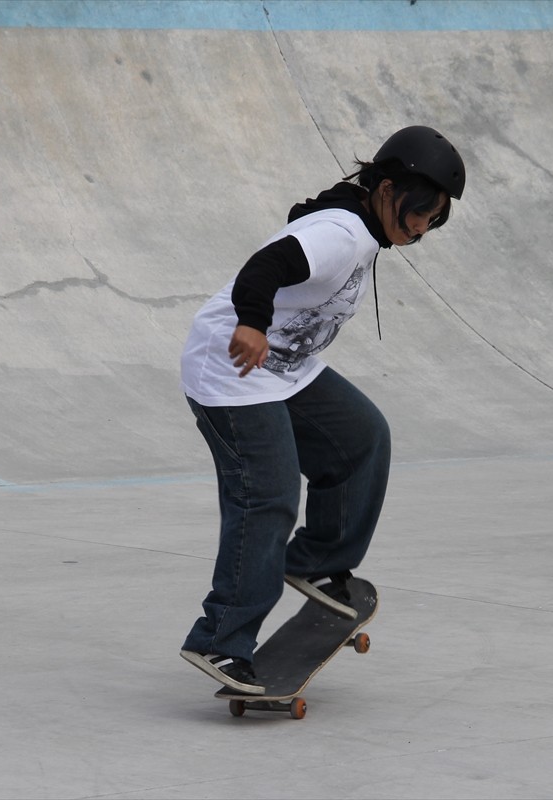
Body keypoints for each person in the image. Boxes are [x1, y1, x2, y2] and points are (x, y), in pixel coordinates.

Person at [178, 126, 466, 694]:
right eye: (419, 213)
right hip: (232, 371)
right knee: (269, 497)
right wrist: (252, 324)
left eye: (433, 222)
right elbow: (262, 268)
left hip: (283, 371)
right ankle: (220, 639)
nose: (420, 229)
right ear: (387, 190)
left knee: (362, 438)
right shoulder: (339, 233)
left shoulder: (359, 228)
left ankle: (312, 561)